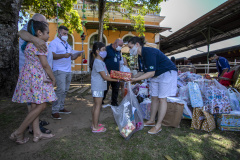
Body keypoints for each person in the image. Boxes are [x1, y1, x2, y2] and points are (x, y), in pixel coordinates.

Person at [11, 19, 57, 144]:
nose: (48, 35)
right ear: (39, 32)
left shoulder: (29, 44)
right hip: (36, 77)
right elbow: (45, 64)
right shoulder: (40, 44)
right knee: (42, 105)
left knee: (34, 105)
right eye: (47, 32)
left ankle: (37, 133)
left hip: (29, 77)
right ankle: (19, 131)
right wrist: (53, 78)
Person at [128, 36, 178, 134]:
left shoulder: (149, 52)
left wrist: (135, 79)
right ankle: (151, 120)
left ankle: (158, 125)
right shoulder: (140, 56)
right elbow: (142, 72)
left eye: (130, 47)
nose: (129, 50)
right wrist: (131, 77)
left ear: (137, 45)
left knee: (162, 98)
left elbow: (150, 73)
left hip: (166, 73)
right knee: (154, 97)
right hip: (156, 75)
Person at [18, 13, 51, 134]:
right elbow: (20, 33)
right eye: (43, 23)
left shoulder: (37, 39)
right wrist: (35, 39)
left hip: (38, 73)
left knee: (36, 103)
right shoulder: (28, 33)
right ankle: (25, 130)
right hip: (32, 75)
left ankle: (35, 129)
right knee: (36, 104)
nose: (45, 25)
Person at [49, 26, 83, 120]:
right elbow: (52, 56)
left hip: (68, 70)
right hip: (59, 69)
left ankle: (61, 107)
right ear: (59, 33)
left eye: (66, 34)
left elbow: (70, 57)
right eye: (64, 33)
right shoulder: (54, 43)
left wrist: (76, 55)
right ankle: (55, 110)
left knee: (65, 90)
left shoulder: (67, 44)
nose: (65, 35)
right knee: (61, 89)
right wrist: (64, 55)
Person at [90, 42, 120, 133]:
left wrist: (118, 76)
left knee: (96, 105)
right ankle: (95, 127)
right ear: (97, 51)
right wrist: (118, 80)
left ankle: (94, 123)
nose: (105, 52)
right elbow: (105, 77)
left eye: (105, 50)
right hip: (97, 87)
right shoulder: (98, 62)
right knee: (98, 106)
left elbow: (107, 74)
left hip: (99, 86)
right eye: (103, 50)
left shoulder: (101, 62)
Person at [103, 39, 124, 106]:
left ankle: (114, 102)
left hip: (116, 74)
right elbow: (102, 60)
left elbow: (119, 62)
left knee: (116, 88)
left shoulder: (118, 51)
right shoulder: (107, 49)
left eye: (122, 45)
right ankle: (101, 101)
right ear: (115, 43)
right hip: (107, 73)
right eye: (120, 45)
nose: (121, 47)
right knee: (105, 88)